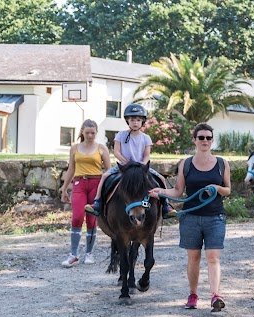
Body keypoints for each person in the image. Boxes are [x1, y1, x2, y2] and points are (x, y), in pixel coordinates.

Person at [149, 123, 232, 312]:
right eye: (201, 137)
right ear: (194, 140)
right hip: (191, 217)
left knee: (213, 257)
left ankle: (215, 296)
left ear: (212, 140)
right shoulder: (186, 163)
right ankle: (193, 295)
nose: (205, 141)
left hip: (215, 216)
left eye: (208, 138)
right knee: (193, 257)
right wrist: (160, 191)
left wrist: (217, 188)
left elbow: (228, 190)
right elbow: (178, 191)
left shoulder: (221, 163)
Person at [85, 103, 174, 218]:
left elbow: (147, 155)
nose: (135, 122)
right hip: (124, 166)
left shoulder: (146, 138)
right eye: (132, 120)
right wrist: (126, 162)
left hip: (141, 167)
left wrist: (141, 164)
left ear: (142, 121)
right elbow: (116, 152)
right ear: (127, 121)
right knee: (105, 176)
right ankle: (97, 202)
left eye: (138, 120)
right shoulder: (121, 135)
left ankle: (166, 206)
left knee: (161, 178)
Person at [59, 119, 111, 267]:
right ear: (82, 131)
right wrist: (64, 188)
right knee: (76, 217)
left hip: (96, 184)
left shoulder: (101, 148)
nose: (90, 135)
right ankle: (73, 254)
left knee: (91, 219)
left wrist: (106, 188)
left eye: (93, 133)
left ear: (96, 133)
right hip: (79, 183)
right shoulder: (75, 148)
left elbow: (109, 170)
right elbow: (71, 169)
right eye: (87, 132)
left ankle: (89, 253)